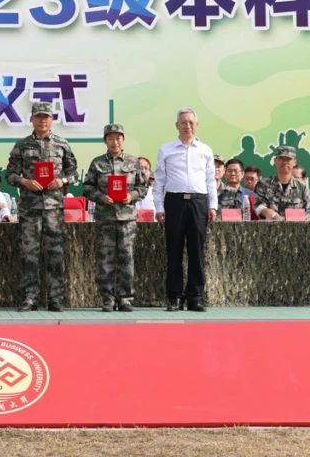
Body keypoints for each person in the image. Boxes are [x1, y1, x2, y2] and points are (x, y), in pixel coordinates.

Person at [5, 102, 79, 312]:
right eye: (38, 117)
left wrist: (62, 181)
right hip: (30, 208)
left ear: (52, 120)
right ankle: (31, 298)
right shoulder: (22, 145)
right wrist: (25, 182)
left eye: (46, 117)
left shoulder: (62, 144)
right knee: (30, 254)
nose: (42, 120)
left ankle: (56, 298)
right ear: (32, 120)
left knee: (55, 254)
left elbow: (74, 172)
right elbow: (9, 174)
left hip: (54, 209)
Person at [153, 108, 217, 312]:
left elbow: (211, 180)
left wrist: (212, 206)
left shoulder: (205, 150)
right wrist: (159, 207)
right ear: (176, 125)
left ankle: (195, 297)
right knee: (174, 251)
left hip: (199, 202)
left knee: (197, 252)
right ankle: (174, 297)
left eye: (191, 122)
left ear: (197, 125)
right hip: (175, 202)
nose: (187, 126)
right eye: (183, 122)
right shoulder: (166, 150)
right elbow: (159, 182)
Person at [82, 123, 149, 312]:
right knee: (105, 260)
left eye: (118, 138)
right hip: (105, 218)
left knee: (127, 258)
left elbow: (142, 187)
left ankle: (125, 298)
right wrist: (100, 196)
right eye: (110, 138)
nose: (115, 142)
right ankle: (107, 298)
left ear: (123, 140)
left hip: (127, 218)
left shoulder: (133, 162)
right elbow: (87, 187)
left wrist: (131, 196)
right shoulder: (97, 163)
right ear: (105, 141)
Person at [254, 145, 310, 220]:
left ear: (294, 162)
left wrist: (305, 218)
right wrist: (269, 213)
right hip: (270, 226)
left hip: (296, 226)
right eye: (281, 159)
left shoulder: (302, 187)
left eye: (288, 159)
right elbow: (258, 206)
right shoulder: (263, 184)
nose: (285, 162)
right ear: (275, 161)